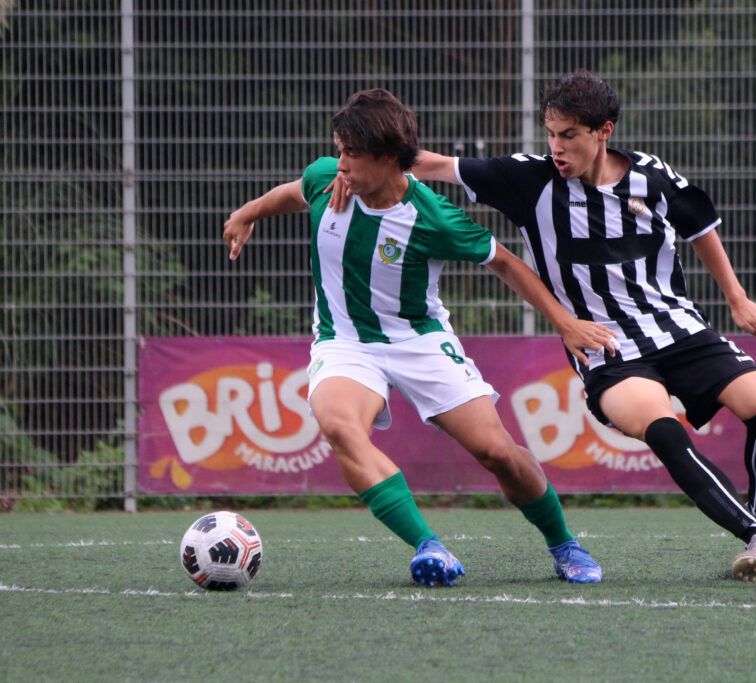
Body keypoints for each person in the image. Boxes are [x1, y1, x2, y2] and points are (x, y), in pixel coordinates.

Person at [331, 72, 756, 582]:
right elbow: (426, 162)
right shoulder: (529, 179)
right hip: (607, 347)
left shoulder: (651, 175)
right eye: (551, 134)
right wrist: (354, 168)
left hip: (679, 328)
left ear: (604, 131)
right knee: (663, 429)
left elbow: (700, 227)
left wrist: (737, 299)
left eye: (569, 135)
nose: (556, 147)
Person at [222, 88, 617, 587]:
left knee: (496, 451)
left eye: (351, 154)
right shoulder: (330, 179)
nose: (339, 164)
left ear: (388, 157)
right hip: (344, 342)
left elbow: (504, 262)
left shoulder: (432, 217)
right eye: (339, 151)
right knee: (340, 427)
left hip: (420, 341)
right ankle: (430, 547)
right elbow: (293, 191)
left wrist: (564, 322)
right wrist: (248, 213)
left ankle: (564, 545)